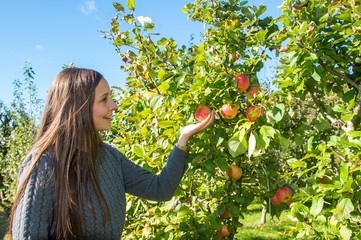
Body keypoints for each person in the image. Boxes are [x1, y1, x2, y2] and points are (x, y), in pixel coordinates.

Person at [8, 67, 215, 239]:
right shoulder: (43, 165)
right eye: (104, 99)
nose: (114, 106)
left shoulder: (110, 157)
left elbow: (160, 189)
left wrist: (183, 139)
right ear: (78, 106)